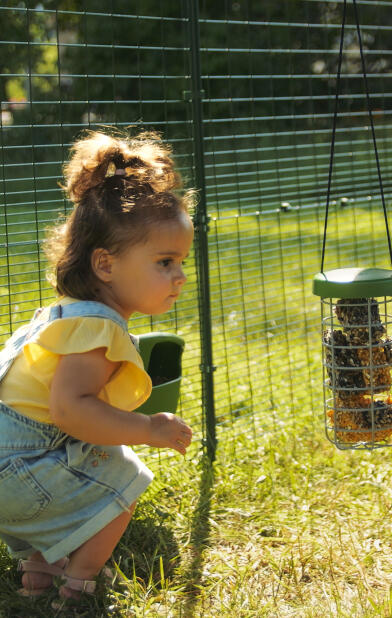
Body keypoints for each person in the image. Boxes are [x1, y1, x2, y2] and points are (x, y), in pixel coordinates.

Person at [0, 130, 194, 606]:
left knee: (86, 455)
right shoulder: (98, 331)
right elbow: (70, 410)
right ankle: (81, 584)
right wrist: (147, 428)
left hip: (12, 463)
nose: (180, 276)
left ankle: (39, 574)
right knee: (125, 480)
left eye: (182, 262)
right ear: (105, 264)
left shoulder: (67, 312)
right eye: (165, 262)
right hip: (16, 469)